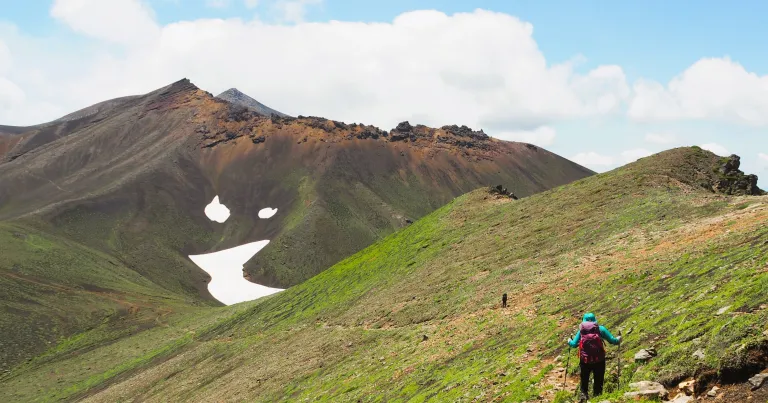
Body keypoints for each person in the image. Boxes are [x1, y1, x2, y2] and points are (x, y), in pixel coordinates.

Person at [567, 312, 621, 401]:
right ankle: (597, 398)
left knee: (584, 380)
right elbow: (613, 341)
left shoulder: (581, 330)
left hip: (585, 360)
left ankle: (583, 396)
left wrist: (569, 340)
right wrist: (618, 339)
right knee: (598, 381)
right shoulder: (601, 329)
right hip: (599, 360)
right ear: (595, 320)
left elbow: (574, 344)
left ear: (583, 320)